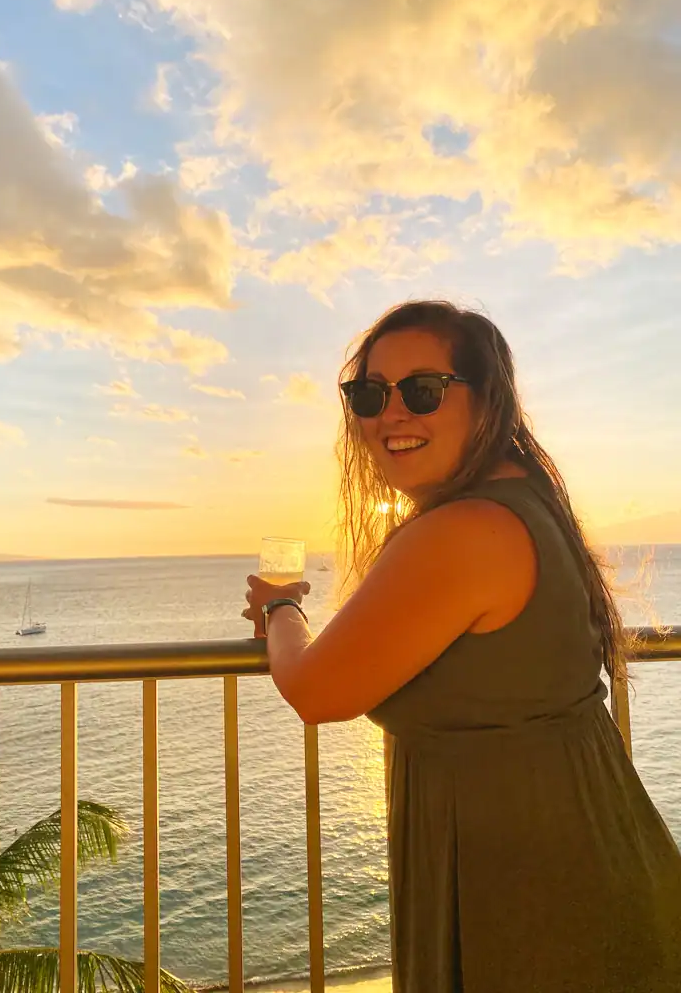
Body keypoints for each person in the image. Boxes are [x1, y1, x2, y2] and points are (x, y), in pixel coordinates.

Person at [242, 299, 681, 993]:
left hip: (536, 889)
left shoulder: (466, 529)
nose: (391, 413)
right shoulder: (523, 501)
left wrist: (282, 610)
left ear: (488, 402)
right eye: (368, 394)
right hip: (574, 850)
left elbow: (317, 689)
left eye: (422, 390)